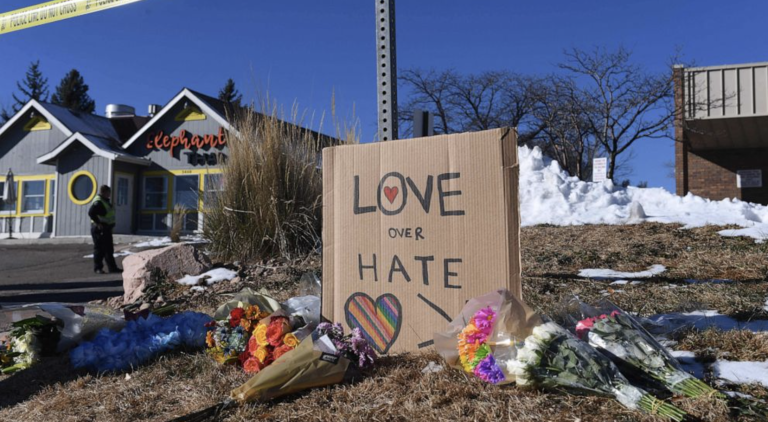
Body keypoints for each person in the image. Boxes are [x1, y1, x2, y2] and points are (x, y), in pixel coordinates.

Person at [88, 185, 122, 274]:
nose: (109, 194)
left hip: (106, 228)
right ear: (104, 192)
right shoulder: (98, 202)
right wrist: (98, 223)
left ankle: (112, 267)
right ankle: (98, 268)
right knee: (99, 249)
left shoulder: (105, 201)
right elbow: (91, 213)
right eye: (108, 192)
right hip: (99, 229)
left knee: (108, 249)